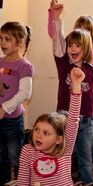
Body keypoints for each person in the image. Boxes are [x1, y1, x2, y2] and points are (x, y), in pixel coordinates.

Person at [48, 0, 93, 182]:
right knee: (64, 155)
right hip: (65, 116)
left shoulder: (91, 67)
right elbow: (57, 40)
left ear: (87, 48)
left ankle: (89, 182)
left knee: (85, 157)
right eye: (71, 45)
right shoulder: (63, 64)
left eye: (78, 45)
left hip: (87, 120)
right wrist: (57, 18)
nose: (73, 49)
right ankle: (60, 181)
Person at [17, 67, 84, 186]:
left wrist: (76, 86)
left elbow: (73, 119)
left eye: (46, 133)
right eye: (37, 129)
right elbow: (22, 182)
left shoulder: (65, 149)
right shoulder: (28, 151)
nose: (38, 135)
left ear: (58, 139)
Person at [0, 21, 33, 185]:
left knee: (15, 155)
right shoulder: (0, 62)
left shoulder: (24, 66)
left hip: (13, 120)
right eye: (1, 39)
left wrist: (4, 108)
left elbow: (25, 93)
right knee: (1, 155)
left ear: (20, 42)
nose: (2, 43)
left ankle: (22, 181)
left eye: (7, 39)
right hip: (0, 118)